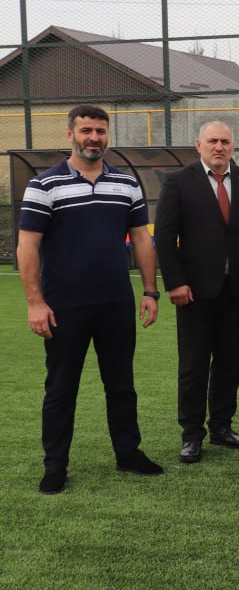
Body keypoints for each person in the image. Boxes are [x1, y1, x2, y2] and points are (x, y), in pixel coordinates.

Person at [18, 104, 164, 494]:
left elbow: (142, 239)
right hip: (64, 307)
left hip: (116, 303)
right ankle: (55, 465)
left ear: (107, 135)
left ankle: (128, 453)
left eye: (100, 131)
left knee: (122, 385)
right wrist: (35, 302)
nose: (94, 138)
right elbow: (27, 246)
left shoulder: (126, 183)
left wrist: (150, 291)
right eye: (86, 130)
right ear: (70, 134)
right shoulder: (44, 185)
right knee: (61, 388)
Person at [155, 120, 239, 463]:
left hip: (236, 290)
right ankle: (192, 435)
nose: (219, 147)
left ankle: (222, 426)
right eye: (212, 141)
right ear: (199, 145)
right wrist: (175, 282)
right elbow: (164, 237)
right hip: (193, 292)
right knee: (193, 365)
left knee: (230, 363)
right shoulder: (179, 181)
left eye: (224, 141)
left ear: (232, 146)